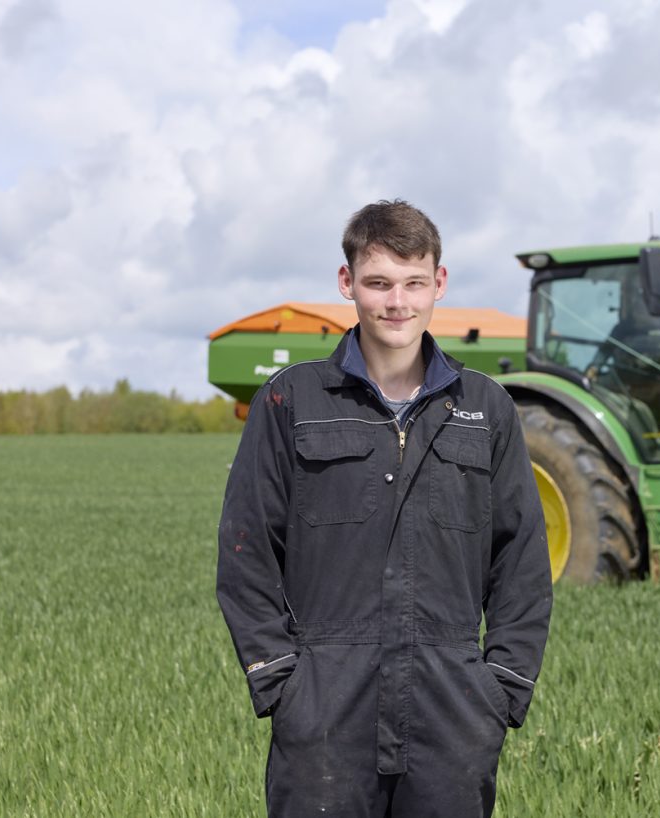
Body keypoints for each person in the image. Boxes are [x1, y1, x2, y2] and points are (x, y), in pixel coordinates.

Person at [217, 200, 552, 817]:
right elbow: (246, 551)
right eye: (378, 283)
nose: (397, 302)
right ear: (347, 284)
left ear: (438, 285)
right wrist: (281, 680)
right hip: (324, 710)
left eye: (413, 283)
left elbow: (522, 561)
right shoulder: (292, 400)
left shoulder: (486, 408)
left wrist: (500, 687)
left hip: (452, 709)